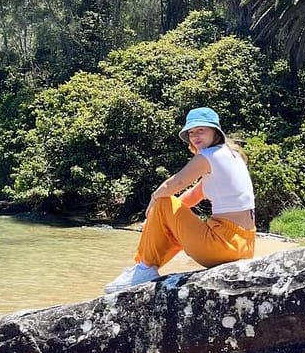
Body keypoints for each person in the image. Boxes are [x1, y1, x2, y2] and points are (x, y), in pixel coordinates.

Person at [105, 107, 256, 293]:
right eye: (191, 132)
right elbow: (191, 197)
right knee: (168, 211)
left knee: (163, 200)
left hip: (222, 245)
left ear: (215, 131)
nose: (195, 136)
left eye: (201, 130)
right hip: (244, 246)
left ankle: (144, 267)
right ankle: (145, 266)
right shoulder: (231, 156)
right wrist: (158, 223)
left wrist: (154, 200)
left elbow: (175, 184)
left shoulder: (208, 157)